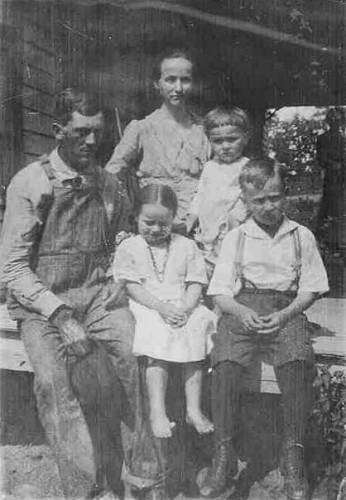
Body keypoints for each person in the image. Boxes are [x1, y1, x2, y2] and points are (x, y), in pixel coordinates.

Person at [0, 88, 137, 499]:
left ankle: (141, 478)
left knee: (136, 356)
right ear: (57, 131)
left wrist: (121, 275)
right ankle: (85, 490)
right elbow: (12, 269)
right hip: (42, 304)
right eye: (81, 133)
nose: (92, 142)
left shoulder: (109, 183)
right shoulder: (31, 182)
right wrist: (60, 315)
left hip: (97, 294)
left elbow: (125, 237)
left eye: (96, 132)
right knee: (53, 384)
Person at [202, 158, 329, 499]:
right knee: (225, 362)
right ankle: (224, 454)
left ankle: (293, 456)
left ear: (284, 194)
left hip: (286, 309)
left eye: (275, 197)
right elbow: (220, 291)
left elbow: (311, 288)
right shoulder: (236, 237)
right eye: (259, 200)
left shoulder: (301, 236)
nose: (269, 206)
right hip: (244, 308)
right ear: (245, 201)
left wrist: (286, 314)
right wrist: (241, 312)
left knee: (298, 363)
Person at [113, 184, 216, 439]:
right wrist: (161, 308)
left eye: (164, 223)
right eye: (149, 222)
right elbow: (132, 286)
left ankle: (193, 408)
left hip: (183, 304)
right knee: (157, 334)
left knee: (198, 324)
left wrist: (185, 308)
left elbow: (195, 283)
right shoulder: (129, 246)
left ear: (173, 220)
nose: (156, 229)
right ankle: (157, 411)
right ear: (136, 216)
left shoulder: (186, 246)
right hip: (148, 305)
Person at [105, 49, 209, 226]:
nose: (178, 88)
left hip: (197, 226)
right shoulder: (141, 128)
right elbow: (112, 173)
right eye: (170, 80)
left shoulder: (205, 129)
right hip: (154, 226)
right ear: (157, 83)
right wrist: (130, 209)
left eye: (185, 80)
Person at [187, 106, 249, 270]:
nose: (225, 146)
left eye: (232, 139)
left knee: (231, 263)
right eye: (218, 141)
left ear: (245, 138)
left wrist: (234, 221)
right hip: (208, 225)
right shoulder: (209, 167)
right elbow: (200, 196)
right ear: (209, 141)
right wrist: (191, 219)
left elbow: (248, 199)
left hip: (232, 227)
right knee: (206, 264)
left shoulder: (246, 167)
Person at [316, 107, 346, 253]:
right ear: (328, 121)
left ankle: (338, 242)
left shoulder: (343, 138)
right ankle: (327, 241)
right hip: (331, 178)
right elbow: (320, 158)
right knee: (330, 209)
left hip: (342, 178)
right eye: (333, 119)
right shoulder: (322, 138)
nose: (335, 122)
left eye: (338, 120)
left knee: (340, 210)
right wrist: (332, 165)